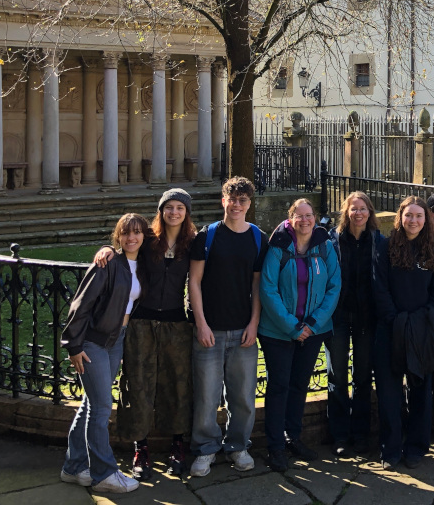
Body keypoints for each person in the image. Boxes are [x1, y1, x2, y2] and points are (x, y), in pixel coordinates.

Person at [92, 188, 198, 480]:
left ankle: (178, 443)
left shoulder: (193, 243)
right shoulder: (150, 239)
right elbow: (127, 245)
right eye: (169, 207)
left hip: (177, 323)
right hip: (142, 323)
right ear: (161, 211)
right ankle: (141, 447)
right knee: (137, 383)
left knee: (177, 383)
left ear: (186, 212)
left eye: (179, 207)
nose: (174, 212)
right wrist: (108, 251)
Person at [60, 214, 149, 494]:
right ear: (118, 236)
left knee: (90, 404)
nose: (131, 238)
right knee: (100, 409)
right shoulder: (108, 263)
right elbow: (81, 304)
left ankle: (73, 468)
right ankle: (104, 474)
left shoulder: (144, 265)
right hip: (93, 343)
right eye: (125, 233)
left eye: (137, 233)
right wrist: (74, 345)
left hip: (116, 341)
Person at [188, 176, 266, 478]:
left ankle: (237, 446)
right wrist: (202, 324)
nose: (236, 205)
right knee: (207, 396)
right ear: (224, 201)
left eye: (242, 200)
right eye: (232, 199)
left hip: (243, 330)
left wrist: (254, 322)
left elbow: (258, 283)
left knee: (244, 396)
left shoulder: (258, 238)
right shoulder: (207, 236)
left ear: (249, 204)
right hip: (211, 329)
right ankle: (206, 449)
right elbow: (194, 281)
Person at [258, 198, 342, 472]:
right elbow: (268, 289)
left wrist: (313, 324)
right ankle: (275, 447)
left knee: (299, 386)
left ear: (315, 218)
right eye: (299, 216)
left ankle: (292, 437)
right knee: (279, 387)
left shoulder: (324, 246)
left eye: (309, 215)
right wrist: (292, 327)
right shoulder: (278, 246)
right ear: (290, 217)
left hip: (313, 330)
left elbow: (334, 285)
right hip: (279, 333)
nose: (305, 221)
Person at [372, 196, 434, 469]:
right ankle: (390, 448)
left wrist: (420, 320)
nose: (413, 220)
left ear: (426, 219)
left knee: (420, 391)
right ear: (400, 217)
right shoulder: (385, 246)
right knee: (389, 393)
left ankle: (416, 446)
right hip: (390, 329)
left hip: (421, 331)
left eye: (419, 215)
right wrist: (396, 320)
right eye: (409, 215)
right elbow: (379, 288)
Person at [327, 191, 385, 457]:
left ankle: (361, 434)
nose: (358, 213)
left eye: (363, 209)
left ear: (370, 212)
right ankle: (339, 434)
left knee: (362, 378)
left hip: (366, 319)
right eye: (354, 209)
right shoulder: (333, 240)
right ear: (346, 212)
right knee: (337, 377)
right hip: (338, 317)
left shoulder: (379, 242)